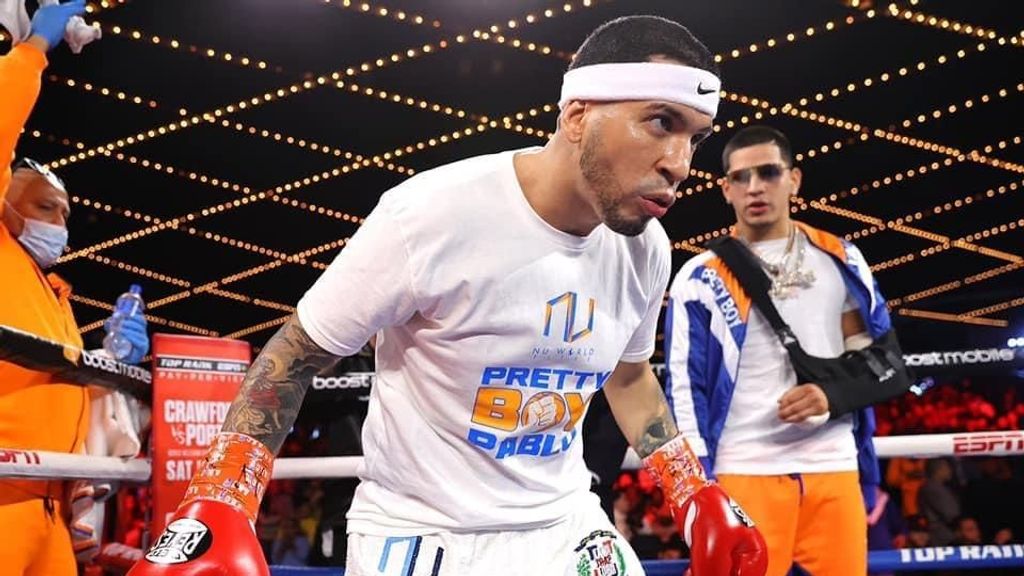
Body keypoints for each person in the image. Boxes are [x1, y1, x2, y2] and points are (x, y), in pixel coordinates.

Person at [130, 15, 767, 576]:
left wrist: (691, 489)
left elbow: (628, 377)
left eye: (695, 138)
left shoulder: (645, 246)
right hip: (424, 536)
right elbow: (294, 355)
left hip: (567, 525)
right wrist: (222, 497)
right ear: (578, 116)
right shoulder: (428, 215)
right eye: (660, 123)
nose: (680, 162)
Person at [666, 125, 897, 575]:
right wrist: (697, 487)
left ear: (793, 179)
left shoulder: (842, 259)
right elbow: (684, 387)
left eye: (768, 172)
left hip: (834, 465)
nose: (755, 187)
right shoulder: (700, 276)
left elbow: (876, 359)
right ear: (726, 189)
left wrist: (832, 395)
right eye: (741, 177)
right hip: (742, 470)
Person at [0, 2, 150, 574]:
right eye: (44, 207)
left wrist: (110, 367)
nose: (59, 224)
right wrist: (32, 52)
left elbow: (53, 393)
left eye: (64, 213)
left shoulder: (54, 294)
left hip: (48, 511)